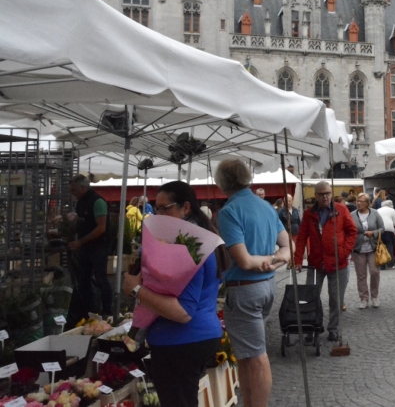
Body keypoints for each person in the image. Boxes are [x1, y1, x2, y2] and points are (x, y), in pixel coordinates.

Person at [123, 181, 230, 407]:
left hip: (181, 341)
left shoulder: (190, 246)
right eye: (156, 207)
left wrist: (136, 289)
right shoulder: (199, 238)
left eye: (165, 208)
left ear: (186, 208)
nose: (158, 213)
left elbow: (183, 312)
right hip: (193, 338)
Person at [214, 159, 291, 407]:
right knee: (248, 355)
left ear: (222, 182)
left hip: (245, 289)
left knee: (256, 356)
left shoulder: (229, 212)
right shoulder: (266, 206)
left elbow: (245, 261)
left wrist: (269, 261)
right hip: (267, 285)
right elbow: (288, 247)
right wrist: (274, 262)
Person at [294, 181, 358, 342]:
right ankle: (312, 327)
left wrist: (344, 252)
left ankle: (333, 328)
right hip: (316, 263)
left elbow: (352, 232)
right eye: (321, 194)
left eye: (328, 193)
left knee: (335, 298)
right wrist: (298, 259)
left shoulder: (341, 210)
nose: (325, 197)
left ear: (331, 193)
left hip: (338, 262)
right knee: (310, 296)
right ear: (315, 195)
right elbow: (301, 238)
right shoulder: (309, 214)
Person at [68, 174, 113, 317]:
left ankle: (107, 310)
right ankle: (90, 310)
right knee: (83, 279)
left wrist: (80, 242)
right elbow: (82, 223)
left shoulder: (98, 202)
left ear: (83, 187)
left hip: (99, 246)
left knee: (101, 278)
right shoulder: (81, 202)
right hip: (85, 247)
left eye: (74, 190)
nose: (72, 193)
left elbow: (101, 228)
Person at [350, 193, 385, 309]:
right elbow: (348, 230)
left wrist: (373, 233)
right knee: (361, 275)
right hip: (358, 249)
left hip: (373, 248)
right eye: (357, 201)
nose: (358, 203)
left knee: (375, 272)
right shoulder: (352, 215)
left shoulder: (375, 213)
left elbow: (382, 228)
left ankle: (374, 296)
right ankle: (364, 298)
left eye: (361, 201)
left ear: (367, 203)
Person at [376, 199, 395, 269]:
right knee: (389, 246)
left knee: (381, 246)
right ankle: (390, 264)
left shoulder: (378, 210)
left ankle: (382, 264)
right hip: (389, 229)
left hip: (379, 229)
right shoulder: (392, 210)